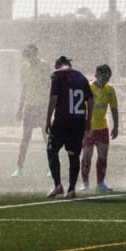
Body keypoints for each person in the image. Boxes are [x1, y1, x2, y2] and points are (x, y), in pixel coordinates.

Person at [44, 56, 93, 198]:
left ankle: (58, 185)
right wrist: (88, 120)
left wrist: (48, 119)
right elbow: (90, 99)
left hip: (62, 120)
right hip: (78, 121)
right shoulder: (81, 77)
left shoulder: (57, 75)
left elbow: (54, 98)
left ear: (58, 65)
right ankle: (71, 189)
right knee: (73, 154)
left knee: (51, 150)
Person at [80, 64, 119, 193]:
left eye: (108, 78)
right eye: (103, 77)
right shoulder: (88, 89)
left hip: (103, 127)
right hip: (89, 127)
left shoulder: (110, 90)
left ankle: (100, 183)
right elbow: (82, 109)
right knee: (87, 156)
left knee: (103, 156)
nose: (105, 80)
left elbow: (114, 108)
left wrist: (116, 126)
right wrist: (85, 126)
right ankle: (85, 183)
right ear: (96, 75)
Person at [13, 44, 49, 178]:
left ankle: (51, 168)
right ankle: (19, 168)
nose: (30, 59)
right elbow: (24, 88)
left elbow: (48, 86)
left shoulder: (45, 65)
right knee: (25, 138)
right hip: (29, 106)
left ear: (37, 53)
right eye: (28, 56)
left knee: (47, 138)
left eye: (32, 55)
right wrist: (19, 108)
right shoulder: (24, 67)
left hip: (42, 106)